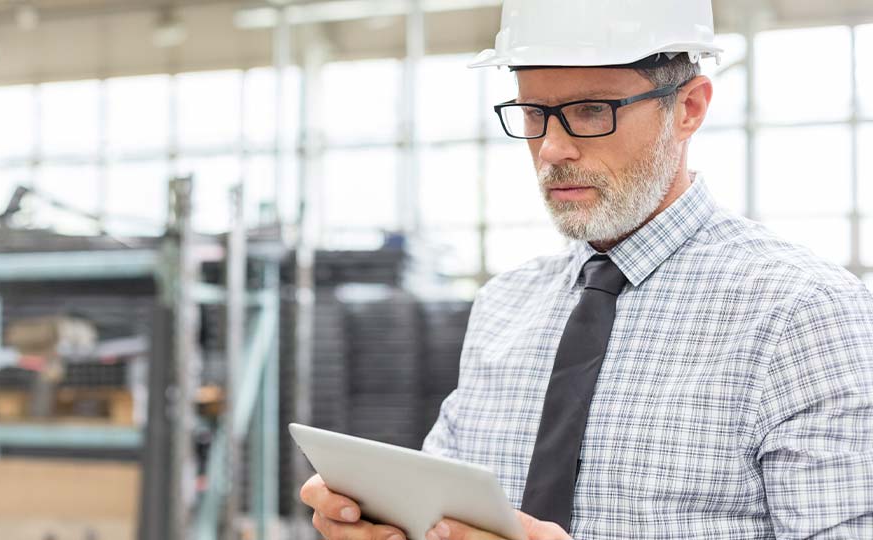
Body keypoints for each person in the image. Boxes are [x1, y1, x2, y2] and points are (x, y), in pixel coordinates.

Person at [300, 1, 873, 538]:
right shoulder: (505, 305)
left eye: (591, 110)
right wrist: (386, 519)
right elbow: (447, 507)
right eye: (533, 113)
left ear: (689, 108)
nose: (552, 148)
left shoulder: (805, 314)